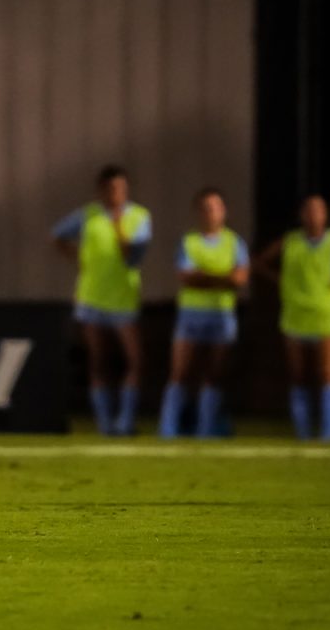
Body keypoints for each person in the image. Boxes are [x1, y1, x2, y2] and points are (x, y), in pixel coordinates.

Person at [255, 195, 330, 442]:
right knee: (299, 375)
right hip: (295, 316)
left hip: (326, 317)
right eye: (308, 210)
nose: (313, 216)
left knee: (326, 375)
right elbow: (258, 263)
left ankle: (327, 436)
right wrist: (281, 281)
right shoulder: (290, 242)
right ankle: (302, 433)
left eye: (318, 210)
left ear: (325, 215)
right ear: (301, 215)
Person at [51, 165, 152, 435]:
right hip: (91, 298)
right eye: (110, 188)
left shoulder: (139, 217)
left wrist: (118, 225)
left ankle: (126, 420)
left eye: (120, 188)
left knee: (135, 360)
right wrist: (80, 258)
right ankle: (105, 422)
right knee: (98, 360)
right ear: (100, 190)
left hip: (123, 299)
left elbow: (132, 255)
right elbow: (58, 236)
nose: (115, 194)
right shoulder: (88, 215)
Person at [158, 188, 249, 438]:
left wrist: (205, 276)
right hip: (191, 315)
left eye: (215, 207)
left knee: (215, 374)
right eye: (205, 208)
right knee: (181, 372)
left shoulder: (234, 243)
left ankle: (206, 429)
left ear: (224, 211)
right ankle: (168, 430)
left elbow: (240, 279)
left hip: (221, 316)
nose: (210, 212)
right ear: (198, 212)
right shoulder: (190, 242)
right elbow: (187, 277)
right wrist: (223, 277)